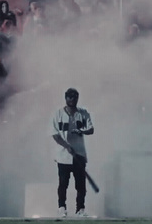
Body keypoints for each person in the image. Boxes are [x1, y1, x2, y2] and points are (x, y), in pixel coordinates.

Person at [51, 88, 94, 218]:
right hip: (63, 156)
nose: (72, 99)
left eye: (74, 97)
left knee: (80, 185)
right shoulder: (58, 114)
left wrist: (81, 131)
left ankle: (80, 209)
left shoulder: (84, 113)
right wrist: (66, 146)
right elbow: (55, 135)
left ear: (77, 98)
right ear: (65, 98)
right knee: (63, 183)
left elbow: (91, 129)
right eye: (69, 97)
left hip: (79, 154)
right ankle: (61, 208)